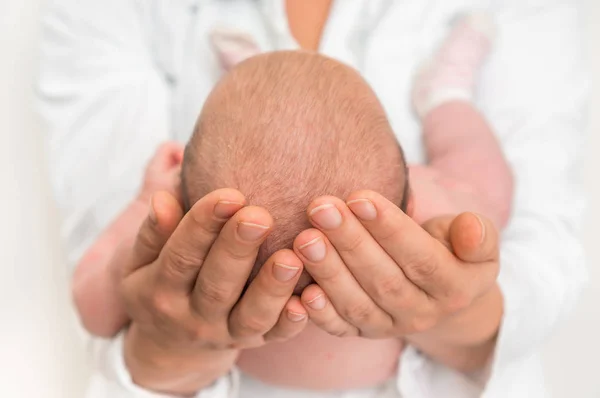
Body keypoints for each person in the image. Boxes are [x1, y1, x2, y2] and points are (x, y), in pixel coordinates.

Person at [38, 1, 587, 397]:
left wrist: (147, 203)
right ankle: (446, 95)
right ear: (411, 199)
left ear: (184, 202)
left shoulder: (168, 218)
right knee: (477, 174)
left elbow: (94, 305)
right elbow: (518, 231)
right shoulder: (428, 221)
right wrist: (469, 261)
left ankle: (253, 74)